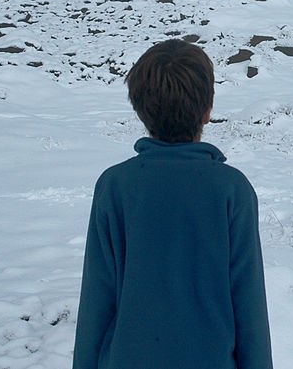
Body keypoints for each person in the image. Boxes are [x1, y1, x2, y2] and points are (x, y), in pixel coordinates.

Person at [73, 39, 272, 369]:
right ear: (207, 111)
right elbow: (248, 306)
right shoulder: (231, 190)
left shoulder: (115, 186)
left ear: (139, 110)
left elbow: (97, 300)